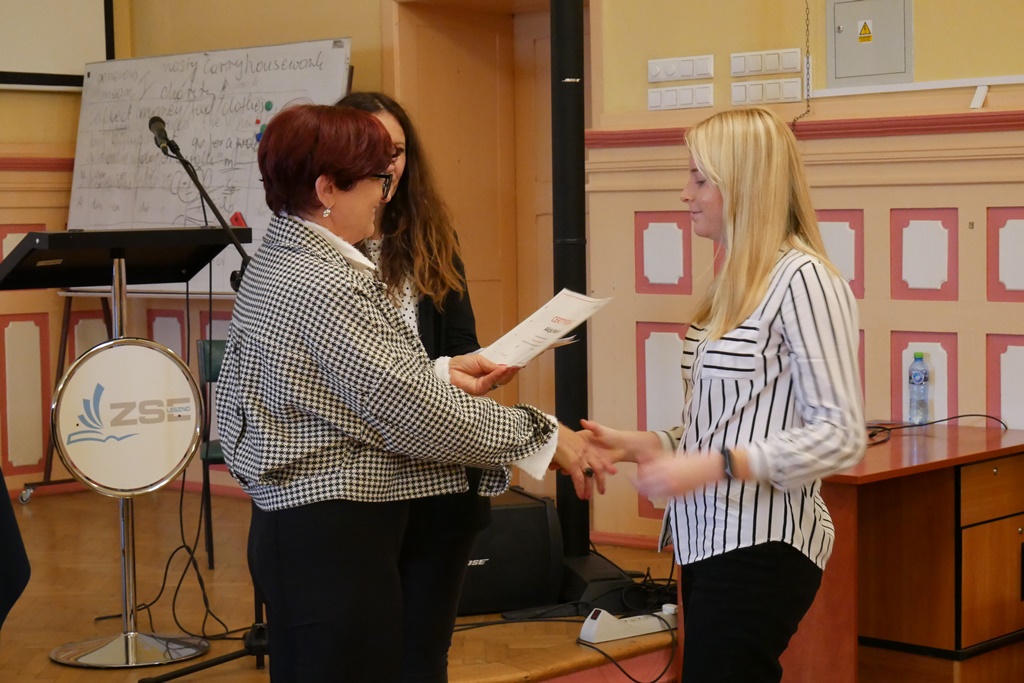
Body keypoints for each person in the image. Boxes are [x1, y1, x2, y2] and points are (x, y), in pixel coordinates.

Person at [215, 103, 612, 683]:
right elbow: (413, 416)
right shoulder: (326, 280)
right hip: (332, 536)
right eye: (375, 180)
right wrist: (544, 435)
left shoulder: (282, 255)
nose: (384, 195)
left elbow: (342, 391)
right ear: (327, 189)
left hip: (305, 530)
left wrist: (441, 371)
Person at [583, 107, 866, 683]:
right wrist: (639, 445)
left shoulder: (806, 280)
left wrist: (717, 466)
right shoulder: (734, 280)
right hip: (706, 541)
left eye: (700, 178)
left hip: (762, 545)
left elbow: (840, 437)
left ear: (745, 185)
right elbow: (723, 423)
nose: (684, 193)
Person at [335, 91, 492, 682]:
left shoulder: (431, 233)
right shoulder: (322, 250)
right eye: (373, 150)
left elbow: (463, 342)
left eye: (397, 150)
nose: (388, 164)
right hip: (361, 486)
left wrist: (474, 369)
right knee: (365, 657)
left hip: (438, 478)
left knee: (423, 656)